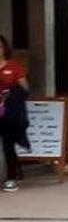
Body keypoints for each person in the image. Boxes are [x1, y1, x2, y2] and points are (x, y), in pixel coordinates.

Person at [0, 35, 29, 192]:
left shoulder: (14, 67)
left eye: (0, 46)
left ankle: (11, 177)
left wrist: (9, 92)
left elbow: (25, 89)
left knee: (8, 145)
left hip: (8, 113)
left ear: (4, 48)